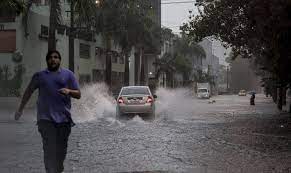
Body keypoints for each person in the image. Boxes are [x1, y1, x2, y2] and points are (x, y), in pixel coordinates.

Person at [14, 50, 81, 173]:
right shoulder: (39, 76)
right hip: (45, 120)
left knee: (60, 154)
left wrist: (69, 91)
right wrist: (20, 110)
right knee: (49, 151)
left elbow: (78, 94)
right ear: (47, 60)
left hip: (64, 121)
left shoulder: (68, 75)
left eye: (56, 57)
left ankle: (58, 168)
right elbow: (28, 92)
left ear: (60, 60)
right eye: (50, 57)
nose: (53, 59)